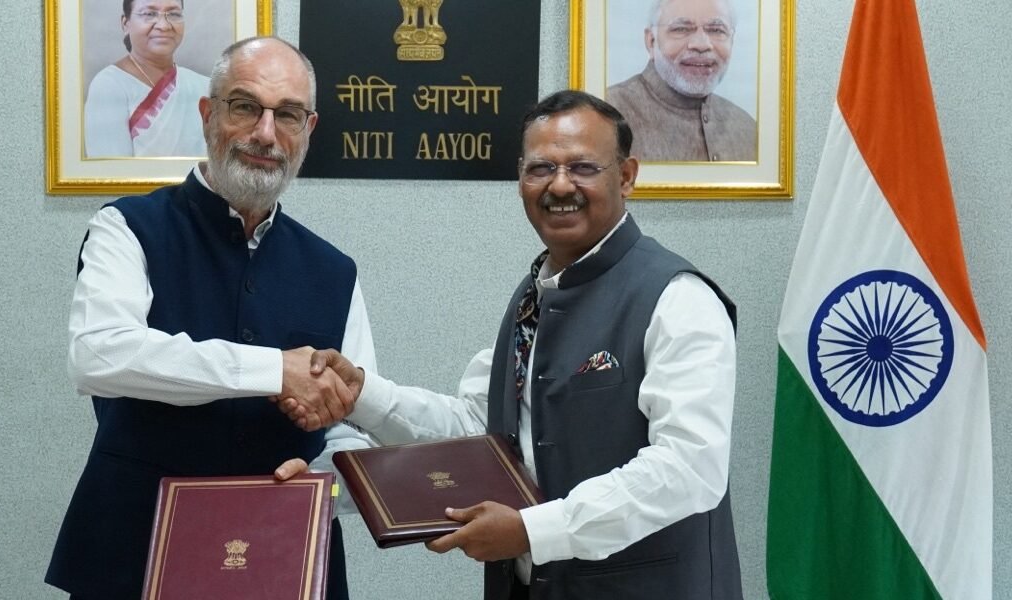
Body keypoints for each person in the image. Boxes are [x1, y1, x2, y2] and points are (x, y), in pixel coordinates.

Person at [283, 90, 742, 600]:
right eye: (541, 168)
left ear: (627, 176)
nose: (560, 185)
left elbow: (689, 466)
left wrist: (532, 531)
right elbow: (483, 431)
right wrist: (365, 394)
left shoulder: (677, 297)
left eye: (583, 167)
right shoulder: (534, 295)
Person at [48, 37, 374, 599]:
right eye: (245, 106)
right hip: (134, 550)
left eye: (287, 115)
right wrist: (274, 370)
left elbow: (355, 421)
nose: (265, 134)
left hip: (284, 555)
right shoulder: (127, 228)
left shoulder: (333, 269)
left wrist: (329, 484)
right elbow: (99, 355)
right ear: (207, 113)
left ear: (308, 129)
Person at [606, 0, 756, 162]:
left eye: (716, 30)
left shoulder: (746, 127)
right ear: (651, 42)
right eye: (681, 29)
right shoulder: (608, 112)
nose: (701, 45)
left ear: (731, 41)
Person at [84, 0, 210, 157]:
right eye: (149, 14)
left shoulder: (204, 86)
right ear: (125, 23)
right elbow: (111, 172)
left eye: (174, 14)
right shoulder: (109, 85)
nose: (164, 26)